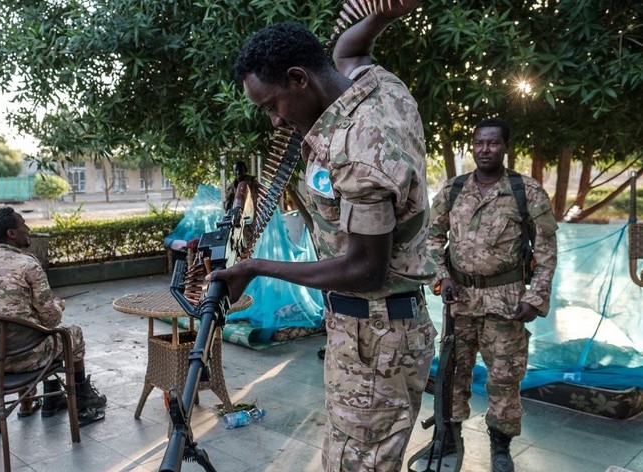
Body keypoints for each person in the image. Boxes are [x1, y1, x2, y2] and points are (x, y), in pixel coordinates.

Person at [213, 6, 437, 470]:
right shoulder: (376, 88)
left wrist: (254, 267)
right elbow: (348, 48)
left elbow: (364, 268)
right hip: (370, 329)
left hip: (375, 336)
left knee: (361, 463)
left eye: (271, 105)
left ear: (299, 79)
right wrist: (385, 14)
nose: (274, 120)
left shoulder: (360, 153)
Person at [426, 118, 558, 472]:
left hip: (507, 301)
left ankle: (500, 447)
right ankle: (449, 437)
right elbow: (431, 238)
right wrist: (442, 278)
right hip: (460, 301)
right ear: (472, 146)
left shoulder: (525, 191)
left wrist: (536, 297)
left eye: (493, 143)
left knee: (504, 377)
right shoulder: (453, 190)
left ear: (505, 147)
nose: (485, 149)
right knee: (453, 372)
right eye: (479, 143)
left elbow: (546, 248)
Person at [0, 207, 107, 424]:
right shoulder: (28, 264)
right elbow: (51, 319)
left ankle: (43, 399)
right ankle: (83, 402)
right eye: (23, 224)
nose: (28, 229)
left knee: (30, 330)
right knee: (73, 335)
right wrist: (58, 305)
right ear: (11, 233)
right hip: (25, 357)